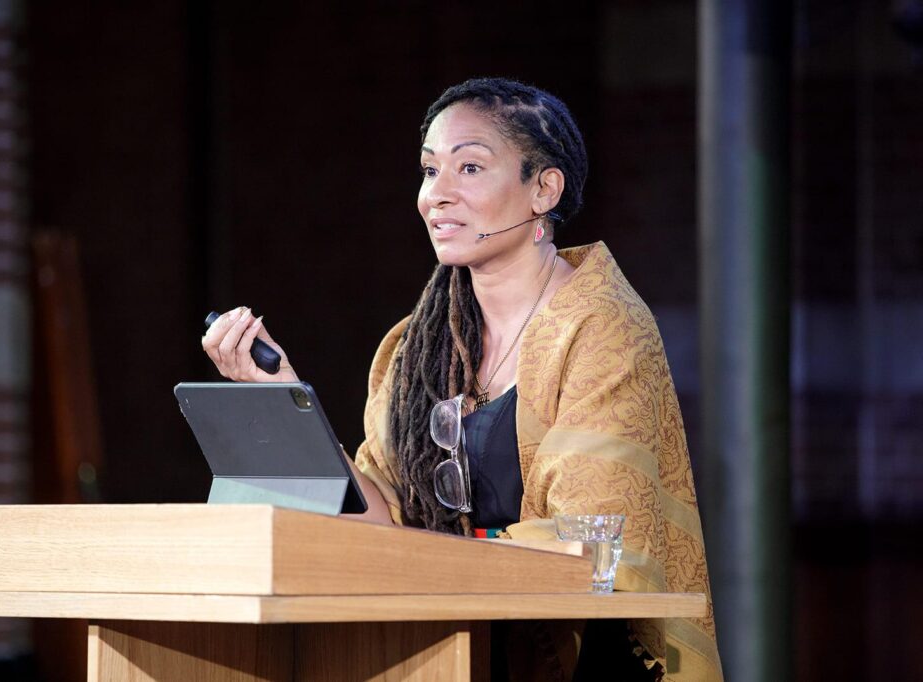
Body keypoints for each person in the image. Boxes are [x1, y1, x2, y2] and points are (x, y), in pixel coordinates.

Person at [202, 77, 723, 681]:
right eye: (429, 171)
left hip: (575, 661)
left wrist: (428, 562)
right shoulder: (419, 346)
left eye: (469, 168)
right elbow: (380, 526)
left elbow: (590, 548)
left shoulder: (602, 330)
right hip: (440, 650)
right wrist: (284, 396)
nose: (436, 196)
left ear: (542, 190)